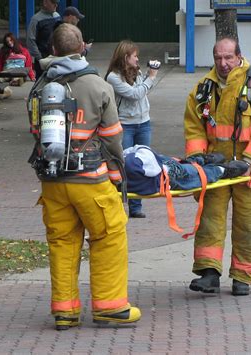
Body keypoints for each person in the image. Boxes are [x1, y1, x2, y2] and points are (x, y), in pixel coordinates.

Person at [27, 23, 141, 330]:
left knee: (62, 242)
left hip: (52, 182)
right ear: (82, 49)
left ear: (52, 50)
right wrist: (117, 175)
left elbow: (37, 133)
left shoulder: (41, 86)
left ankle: (65, 311)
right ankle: (110, 307)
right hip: (90, 180)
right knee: (108, 236)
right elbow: (113, 137)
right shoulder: (97, 85)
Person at [183, 36, 251, 296]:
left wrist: (248, 161)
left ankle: (242, 277)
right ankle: (208, 273)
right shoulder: (204, 88)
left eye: (228, 58)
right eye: (218, 58)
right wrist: (197, 161)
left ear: (239, 56)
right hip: (217, 170)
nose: (223, 63)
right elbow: (194, 129)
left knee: (249, 225)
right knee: (210, 221)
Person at [105, 40, 159, 218]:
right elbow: (135, 95)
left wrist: (145, 78)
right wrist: (151, 78)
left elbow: (142, 92)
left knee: (141, 165)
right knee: (124, 165)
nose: (138, 59)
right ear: (125, 57)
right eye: (135, 56)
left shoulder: (137, 72)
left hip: (144, 123)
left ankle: (136, 207)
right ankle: (119, 205)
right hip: (125, 125)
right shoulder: (113, 77)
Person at [27, 0, 61, 78]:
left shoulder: (57, 16)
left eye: (57, 3)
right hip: (43, 59)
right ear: (45, 2)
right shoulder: (36, 19)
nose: (56, 5)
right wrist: (40, 58)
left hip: (57, 58)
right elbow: (30, 40)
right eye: (53, 2)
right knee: (41, 84)